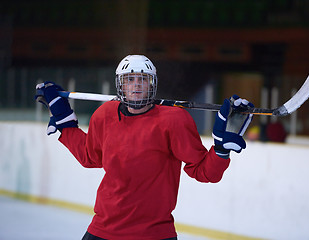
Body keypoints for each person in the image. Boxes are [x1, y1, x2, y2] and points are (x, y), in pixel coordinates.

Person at [35, 55, 254, 240]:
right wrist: (65, 123)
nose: (137, 84)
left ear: (153, 84)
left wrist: (220, 152)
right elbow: (89, 156)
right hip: (104, 231)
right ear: (120, 84)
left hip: (154, 234)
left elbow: (204, 171)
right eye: (130, 79)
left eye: (143, 79)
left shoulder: (174, 120)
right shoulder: (105, 115)